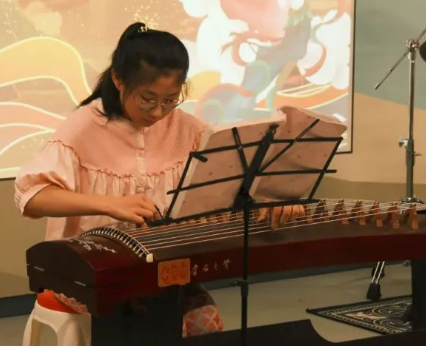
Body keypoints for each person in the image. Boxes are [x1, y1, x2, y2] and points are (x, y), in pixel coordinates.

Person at [15, 21, 299, 337]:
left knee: (204, 321)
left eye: (170, 100)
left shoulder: (188, 129)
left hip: (164, 268)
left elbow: (226, 187)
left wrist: (270, 199)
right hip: (90, 274)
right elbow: (33, 197)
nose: (157, 112)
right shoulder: (83, 127)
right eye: (147, 99)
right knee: (139, 322)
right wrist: (109, 204)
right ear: (118, 79)